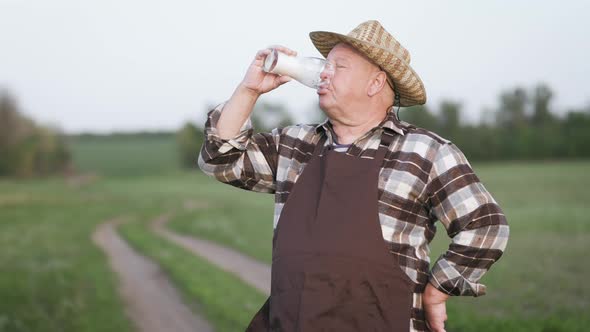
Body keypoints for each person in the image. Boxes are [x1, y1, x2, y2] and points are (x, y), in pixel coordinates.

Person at [198, 20, 509, 332]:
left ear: (375, 83)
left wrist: (440, 289)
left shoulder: (426, 152)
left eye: (339, 66)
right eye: (325, 64)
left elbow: (485, 225)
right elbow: (221, 159)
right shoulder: (294, 144)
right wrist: (249, 89)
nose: (323, 73)